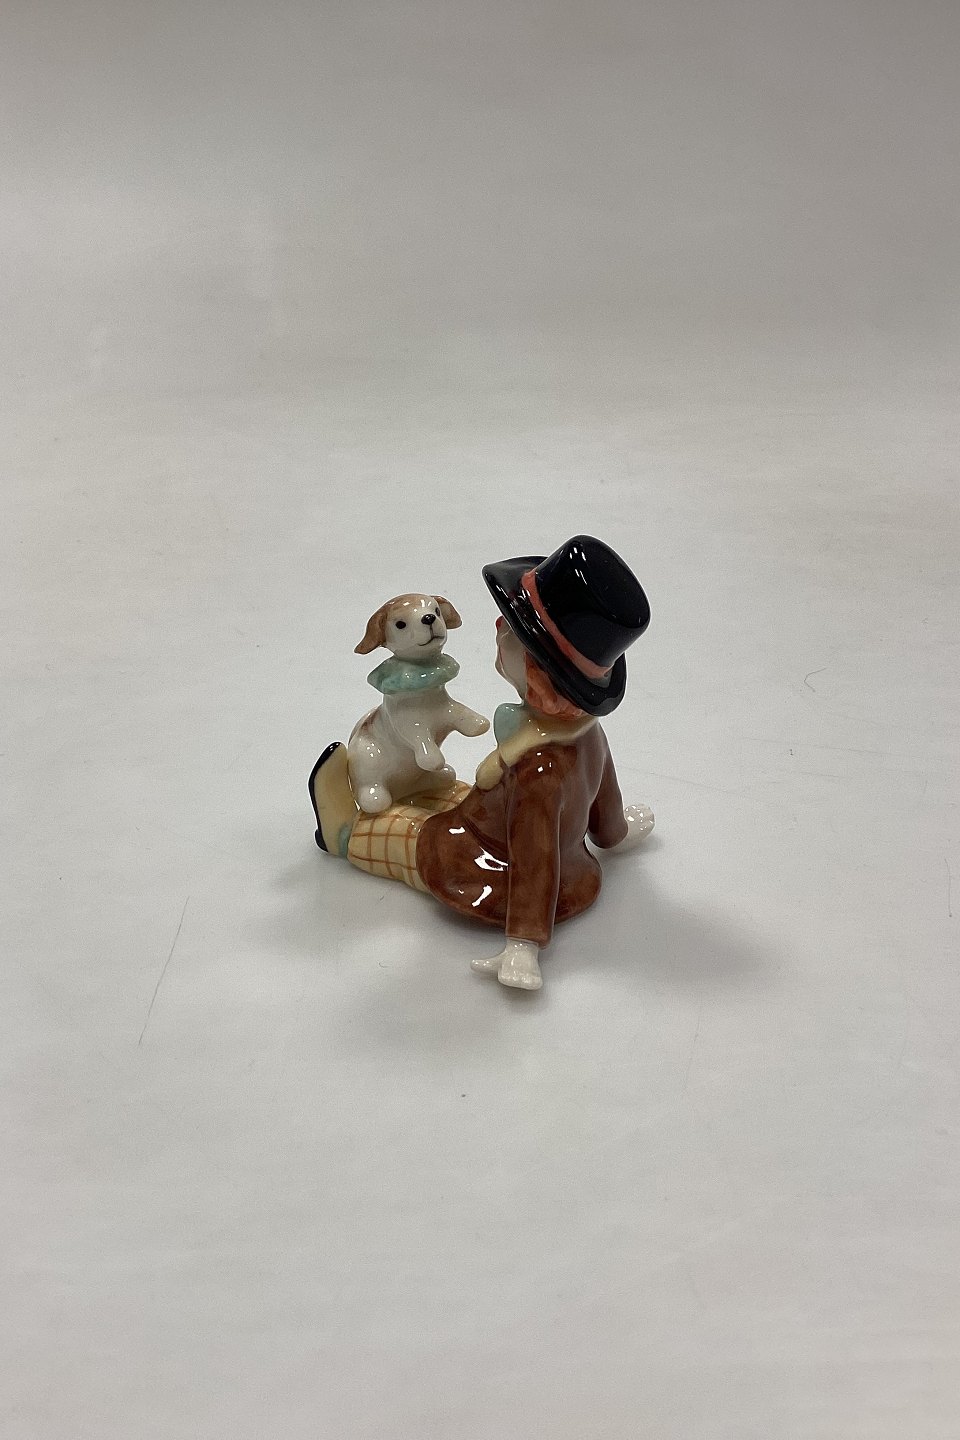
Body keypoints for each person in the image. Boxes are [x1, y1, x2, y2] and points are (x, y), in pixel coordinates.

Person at [310, 536, 654, 990]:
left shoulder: (538, 771)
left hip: (479, 866)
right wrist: (616, 834)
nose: (498, 626)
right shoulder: (587, 733)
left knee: (405, 835)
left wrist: (523, 943)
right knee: (457, 793)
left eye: (513, 631)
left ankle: (343, 833)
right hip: (559, 862)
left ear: (535, 672)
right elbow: (604, 795)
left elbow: (533, 852)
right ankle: (418, 799)